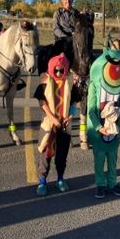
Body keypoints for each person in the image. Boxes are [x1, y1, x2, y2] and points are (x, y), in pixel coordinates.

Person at [87, 45, 120, 199]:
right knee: (99, 159)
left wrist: (118, 110)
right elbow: (91, 110)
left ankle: (112, 183)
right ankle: (100, 184)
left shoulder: (119, 87)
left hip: (114, 127)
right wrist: (98, 127)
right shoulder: (94, 85)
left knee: (113, 157)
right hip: (99, 130)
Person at [35, 53, 73, 196]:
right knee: (46, 152)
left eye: (61, 70)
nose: (58, 73)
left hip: (64, 125)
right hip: (49, 124)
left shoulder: (69, 81)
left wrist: (70, 115)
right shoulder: (45, 80)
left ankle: (60, 179)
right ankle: (42, 181)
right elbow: (42, 103)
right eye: (55, 70)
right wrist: (53, 119)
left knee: (62, 153)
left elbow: (74, 102)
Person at [52, 0, 77, 65]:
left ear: (72, 1)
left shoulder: (77, 13)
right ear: (62, 1)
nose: (68, 1)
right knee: (54, 61)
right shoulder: (58, 13)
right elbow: (56, 29)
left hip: (75, 40)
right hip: (61, 41)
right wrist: (66, 37)